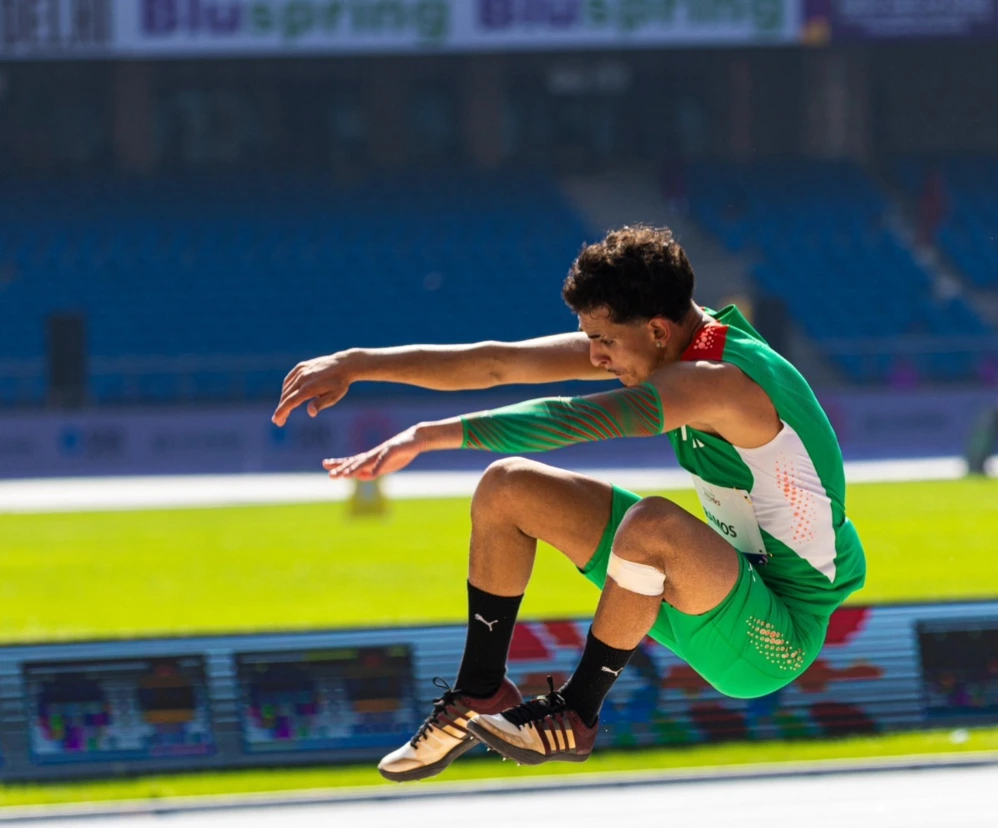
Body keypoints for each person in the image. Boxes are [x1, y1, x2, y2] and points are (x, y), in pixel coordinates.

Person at [272, 226, 866, 780]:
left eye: (604, 341)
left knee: (653, 522)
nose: (597, 357)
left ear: (658, 330)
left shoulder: (719, 381)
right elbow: (498, 362)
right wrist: (357, 363)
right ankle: (481, 688)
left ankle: (575, 713)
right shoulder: (671, 340)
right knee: (508, 485)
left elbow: (576, 418)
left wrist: (433, 434)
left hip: (773, 636)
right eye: (591, 340)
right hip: (705, 586)